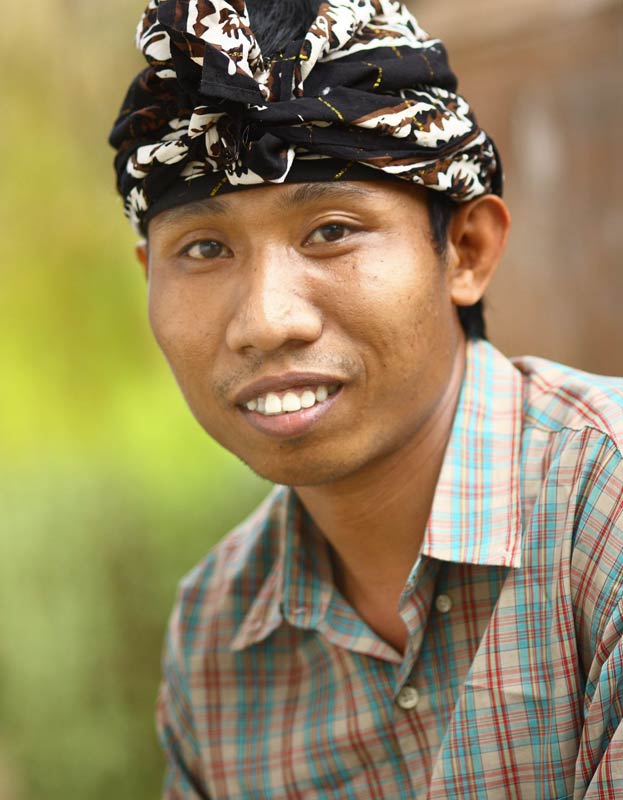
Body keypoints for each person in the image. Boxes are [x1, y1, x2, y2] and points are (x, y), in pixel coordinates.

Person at [109, 1, 623, 797]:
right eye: (204, 249)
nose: (266, 321)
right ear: (151, 279)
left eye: (331, 231)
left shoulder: (606, 520)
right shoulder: (218, 639)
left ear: (465, 250)